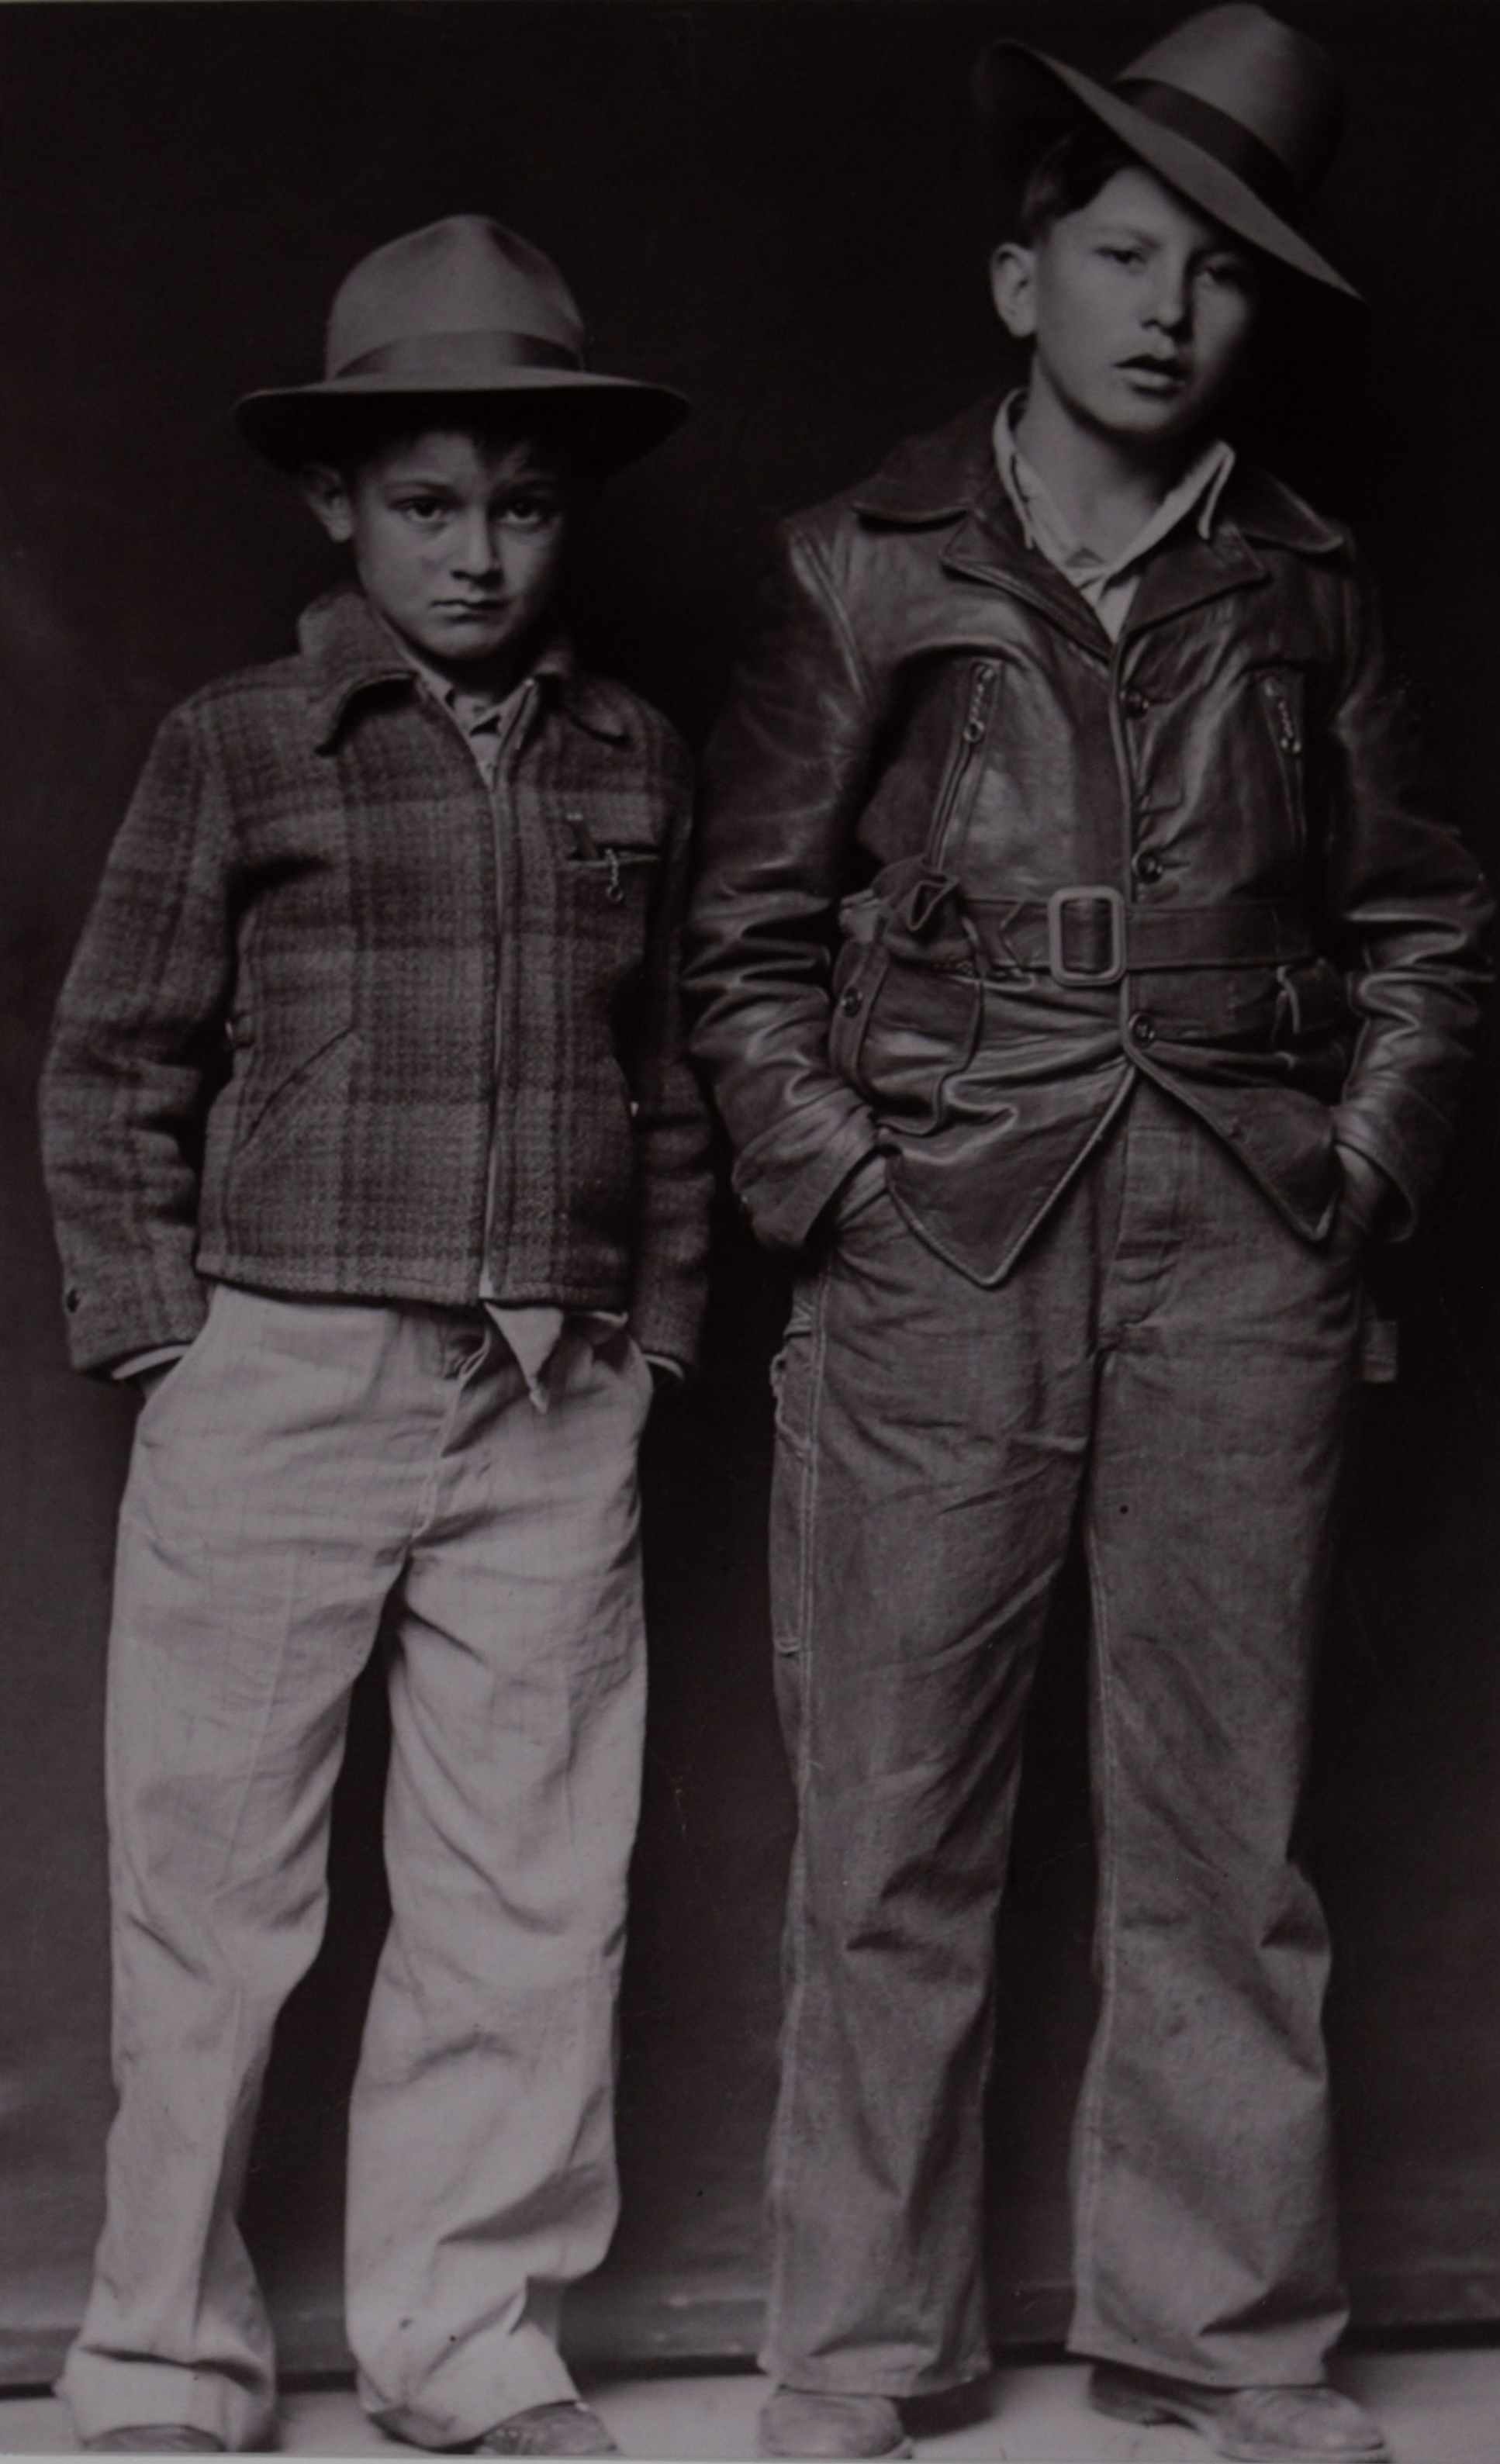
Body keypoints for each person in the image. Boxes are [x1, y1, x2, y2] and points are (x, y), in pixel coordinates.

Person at [684, 10, 1490, 2461]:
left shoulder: (1312, 583)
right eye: (1127, 254)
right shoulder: (861, 561)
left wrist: (1351, 1176)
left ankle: (1224, 2340)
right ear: (1019, 276)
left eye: (1222, 275)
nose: (1171, 309)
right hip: (943, 1239)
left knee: (1226, 1838)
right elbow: (741, 941)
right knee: (891, 1831)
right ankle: (855, 2352)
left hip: (1240, 1244)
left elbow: (1427, 927)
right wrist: (845, 1190)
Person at [40, 215, 710, 2459]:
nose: (477, 552)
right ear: (335, 503)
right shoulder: (242, 744)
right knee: (212, 1887)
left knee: (531, 1885)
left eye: (523, 505)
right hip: (284, 1378)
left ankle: (466, 2335)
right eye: (427, 503)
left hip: (548, 1391)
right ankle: (163, 2348)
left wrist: (654, 1330)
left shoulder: (634, 757)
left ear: (572, 513)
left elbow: (670, 1078)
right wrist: (172, 1343)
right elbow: (114, 1061)